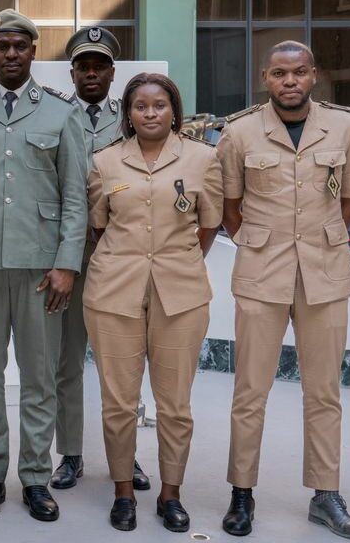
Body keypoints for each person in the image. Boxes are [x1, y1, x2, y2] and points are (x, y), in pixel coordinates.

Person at [217, 41, 350, 539]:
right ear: (265, 77)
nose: (289, 82)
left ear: (313, 75)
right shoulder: (239, 131)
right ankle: (242, 493)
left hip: (324, 272)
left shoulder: (345, 126)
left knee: (324, 392)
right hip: (262, 271)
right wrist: (264, 243)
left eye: (299, 72)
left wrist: (317, 239)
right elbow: (229, 206)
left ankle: (326, 493)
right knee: (249, 391)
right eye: (279, 73)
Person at [0, 8, 88, 522]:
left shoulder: (61, 114)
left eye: (20, 47)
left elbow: (76, 198)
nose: (10, 54)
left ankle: (33, 477)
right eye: (2, 46)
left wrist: (67, 264)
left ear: (33, 53)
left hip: (41, 271)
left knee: (40, 377)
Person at [84, 73, 222, 533]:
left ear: (174, 111)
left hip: (180, 294)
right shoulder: (105, 161)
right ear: (128, 113)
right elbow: (99, 226)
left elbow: (208, 225)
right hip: (113, 292)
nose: (149, 113)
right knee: (119, 403)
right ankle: (123, 491)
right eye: (140, 105)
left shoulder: (203, 158)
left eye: (159, 105)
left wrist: (172, 261)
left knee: (175, 404)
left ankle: (170, 493)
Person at [51, 26, 151, 493]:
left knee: (123, 363)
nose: (91, 74)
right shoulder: (54, 115)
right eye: (83, 67)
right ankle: (70, 454)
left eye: (100, 66)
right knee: (66, 361)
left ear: (114, 72)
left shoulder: (130, 120)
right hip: (68, 258)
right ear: (72, 72)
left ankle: (126, 457)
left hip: (122, 258)